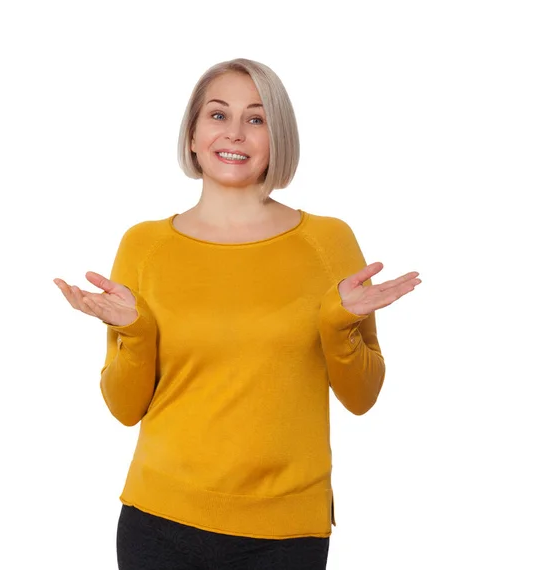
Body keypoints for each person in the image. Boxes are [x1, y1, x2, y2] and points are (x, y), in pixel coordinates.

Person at [54, 58, 421, 570]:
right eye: (218, 115)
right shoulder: (144, 246)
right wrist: (134, 333)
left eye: (256, 118)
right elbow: (123, 408)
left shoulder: (327, 243)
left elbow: (362, 398)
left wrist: (339, 326)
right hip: (158, 522)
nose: (235, 133)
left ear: (278, 137)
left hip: (285, 533)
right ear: (192, 135)